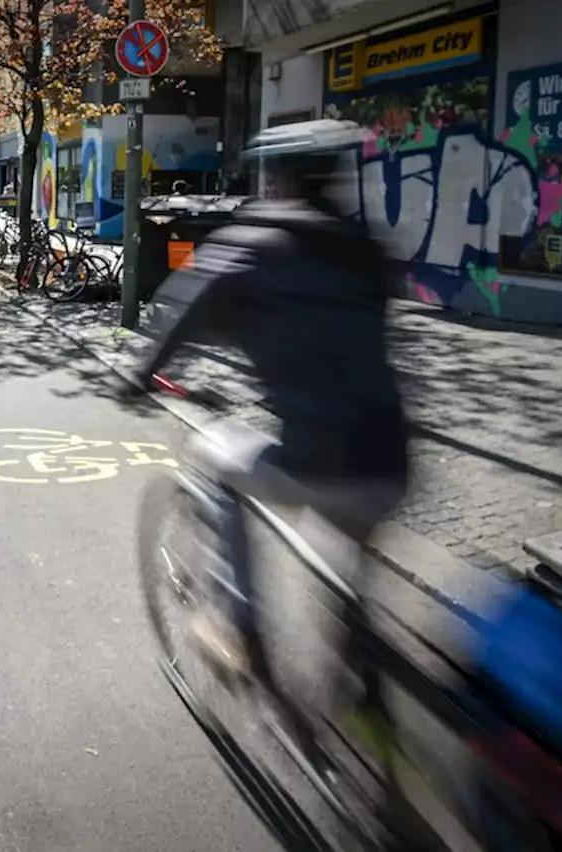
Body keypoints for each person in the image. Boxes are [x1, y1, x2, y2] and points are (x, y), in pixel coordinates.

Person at [136, 119, 410, 742]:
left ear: (277, 178)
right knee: (349, 570)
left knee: (211, 456)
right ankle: (366, 681)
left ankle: (242, 624)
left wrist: (143, 375)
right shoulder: (363, 245)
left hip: (311, 459)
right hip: (389, 460)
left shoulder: (251, 245)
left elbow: (180, 315)